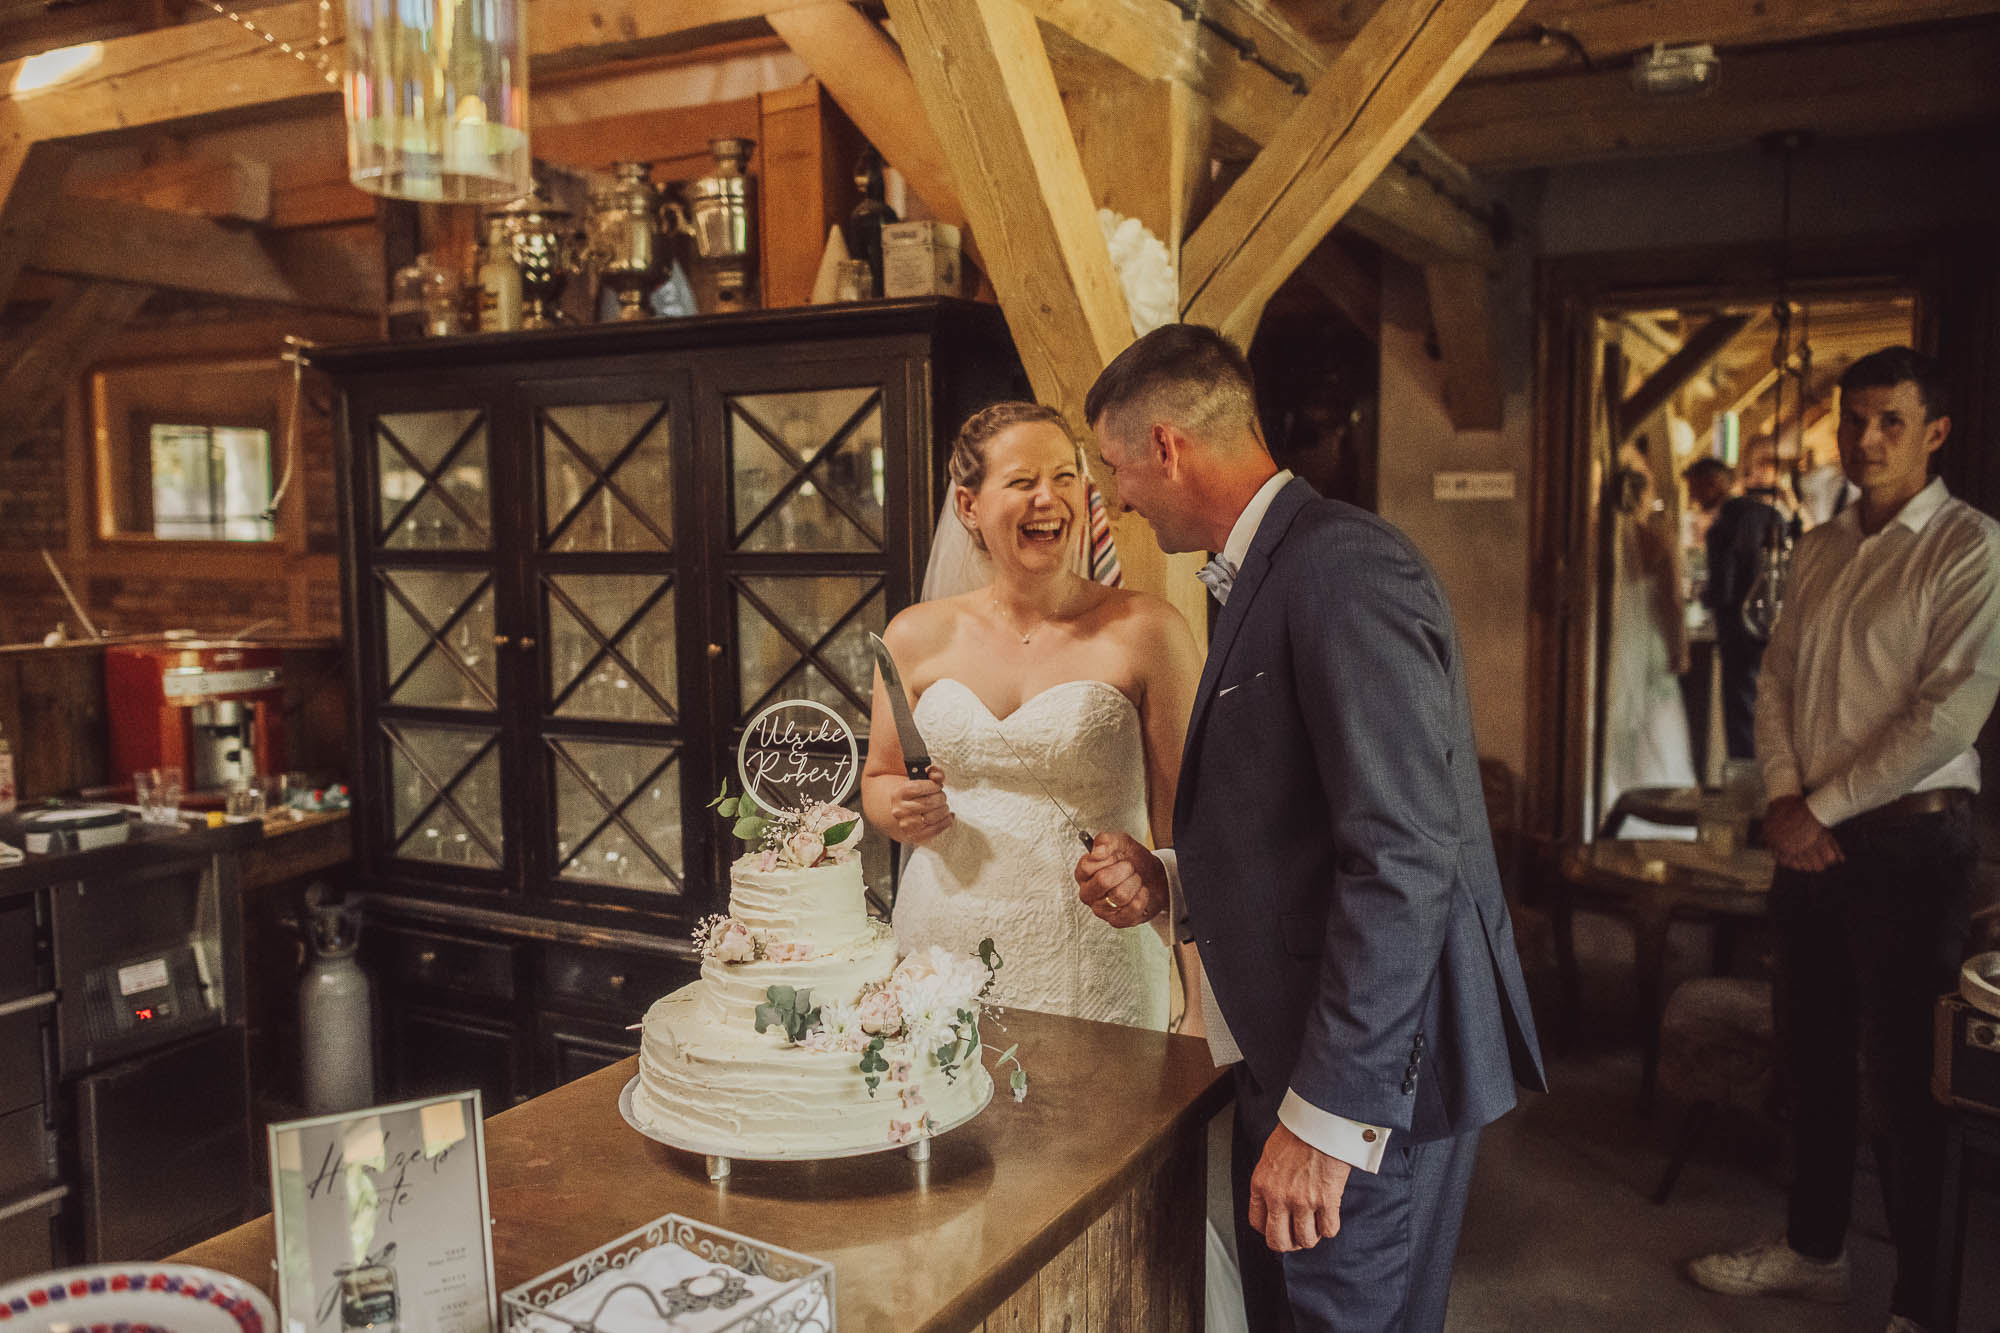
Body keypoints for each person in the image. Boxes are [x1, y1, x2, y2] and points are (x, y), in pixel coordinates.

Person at [1072, 324, 1546, 1333]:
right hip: (1292, 1055)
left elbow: (1400, 854)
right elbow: (1295, 824)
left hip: (1363, 1082)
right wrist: (1170, 876)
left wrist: (1327, 1116)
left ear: (1166, 445)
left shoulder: (1341, 567)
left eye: (1115, 470)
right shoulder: (1265, 569)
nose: (1116, 500)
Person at [1688, 346, 2000, 1333]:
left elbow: (1948, 715)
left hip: (1911, 845)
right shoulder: (1818, 546)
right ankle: (1813, 1251)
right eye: (1852, 419)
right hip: (1807, 838)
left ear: (1933, 431)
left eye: (1889, 421)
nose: (1864, 440)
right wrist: (1786, 798)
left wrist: (1814, 809)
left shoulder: (1966, 546)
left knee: (1910, 1084)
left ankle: (1921, 1306)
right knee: (1810, 1056)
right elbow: (1772, 682)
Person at [1603, 443, 1696, 819]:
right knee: (1655, 728)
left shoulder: (1594, 539)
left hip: (1609, 649)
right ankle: (1659, 814)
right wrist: (1681, 649)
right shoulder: (1658, 540)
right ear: (1643, 494)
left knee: (1612, 729)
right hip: (1651, 650)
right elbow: (1672, 601)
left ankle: (1610, 805)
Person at [1685, 453, 1785, 760]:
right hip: (1774, 626)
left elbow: (1723, 590)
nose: (1692, 497)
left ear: (1714, 484)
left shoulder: (1723, 526)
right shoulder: (1771, 515)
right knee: (1770, 710)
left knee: (1739, 712)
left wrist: (1699, 596)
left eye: (1695, 488)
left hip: (1738, 633)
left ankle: (1744, 778)